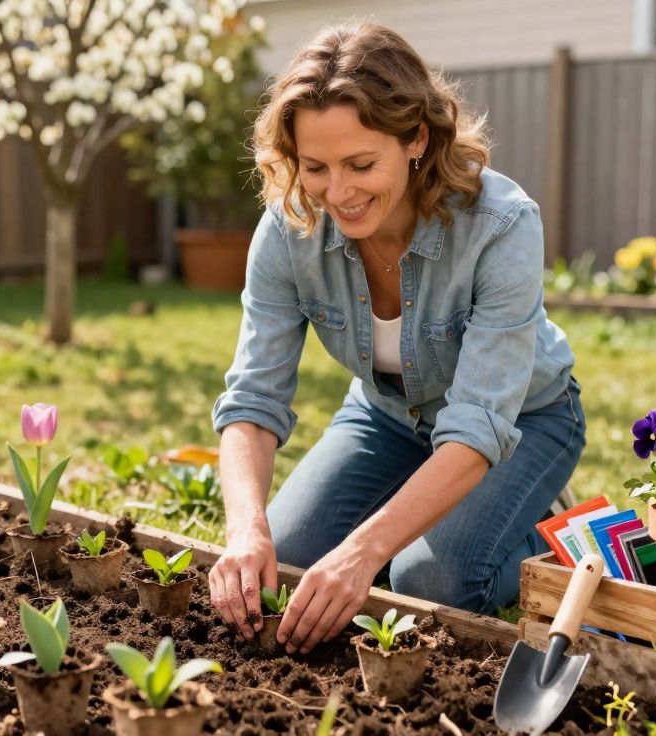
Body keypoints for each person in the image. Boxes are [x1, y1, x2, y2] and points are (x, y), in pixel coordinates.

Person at [208, 20, 586, 656]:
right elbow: (252, 399)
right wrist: (246, 530)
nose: (339, 193)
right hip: (387, 417)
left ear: (416, 138)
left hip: (522, 421)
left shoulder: (500, 225)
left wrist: (364, 553)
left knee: (426, 580)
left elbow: (476, 426)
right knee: (292, 561)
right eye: (315, 168)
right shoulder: (287, 231)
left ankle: (543, 522)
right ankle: (410, 522)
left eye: (361, 164)